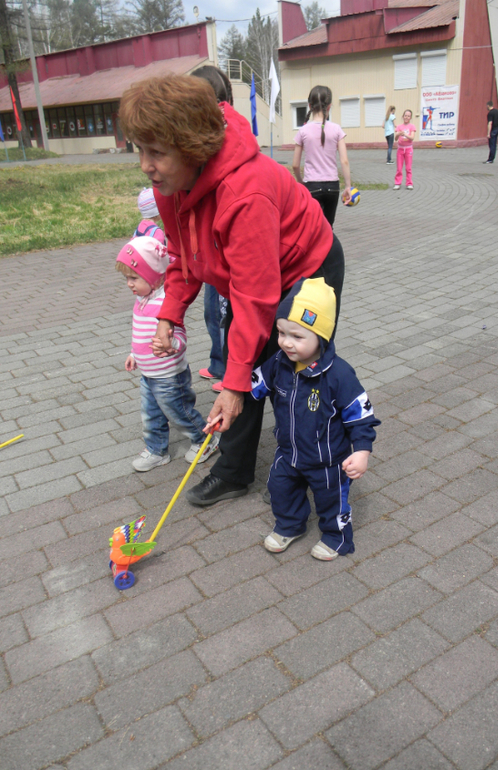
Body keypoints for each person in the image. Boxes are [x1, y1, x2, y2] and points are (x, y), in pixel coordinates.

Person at [119, 74, 345, 506]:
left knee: (295, 367)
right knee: (241, 363)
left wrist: (236, 381)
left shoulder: (245, 192)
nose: (146, 165)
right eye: (140, 150)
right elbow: (184, 254)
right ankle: (234, 472)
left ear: (192, 148)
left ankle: (311, 467)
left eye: (157, 153)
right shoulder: (171, 186)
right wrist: (170, 314)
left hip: (309, 265)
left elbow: (255, 299)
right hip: (257, 275)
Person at [251, 277, 379, 560]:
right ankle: (290, 525)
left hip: (328, 461)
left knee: (332, 502)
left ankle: (336, 537)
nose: (286, 342)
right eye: (281, 333)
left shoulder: (339, 375)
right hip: (289, 453)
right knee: (280, 489)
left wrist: (362, 451)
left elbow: (361, 417)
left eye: (297, 337)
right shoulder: (279, 362)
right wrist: (235, 393)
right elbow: (255, 384)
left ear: (321, 337)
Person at [115, 235, 220, 472]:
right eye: (126, 279)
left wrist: (172, 344)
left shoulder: (166, 303)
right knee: (151, 414)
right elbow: (140, 332)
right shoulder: (141, 300)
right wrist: (134, 354)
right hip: (148, 374)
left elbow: (180, 336)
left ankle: (205, 440)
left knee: (180, 413)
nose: (129, 284)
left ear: (155, 275)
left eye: (134, 278)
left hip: (170, 377)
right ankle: (156, 450)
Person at [192, 65, 235, 394]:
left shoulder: (228, 148)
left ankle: (234, 373)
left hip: (229, 251)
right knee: (213, 311)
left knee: (228, 315)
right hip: (212, 250)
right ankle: (220, 363)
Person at [292, 85, 353, 227]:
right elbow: (344, 161)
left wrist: (301, 182)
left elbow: (295, 165)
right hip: (332, 186)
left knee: (313, 228)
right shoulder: (337, 129)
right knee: (328, 228)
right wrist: (348, 186)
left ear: (309, 106)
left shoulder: (303, 131)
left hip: (312, 185)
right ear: (329, 106)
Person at [393, 109, 416, 190]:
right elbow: (396, 139)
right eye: (405, 115)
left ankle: (409, 183)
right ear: (403, 116)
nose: (406, 117)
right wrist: (398, 134)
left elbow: (412, 137)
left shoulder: (412, 126)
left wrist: (405, 134)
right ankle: (397, 183)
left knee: (408, 168)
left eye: (408, 116)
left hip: (408, 149)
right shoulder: (399, 127)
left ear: (410, 118)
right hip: (400, 149)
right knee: (399, 168)